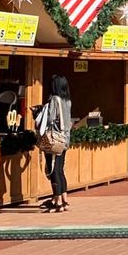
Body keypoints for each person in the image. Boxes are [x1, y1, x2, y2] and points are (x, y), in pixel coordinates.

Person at [44, 75, 72, 213]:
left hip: (54, 139)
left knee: (53, 170)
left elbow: (50, 119)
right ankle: (64, 200)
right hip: (65, 139)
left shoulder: (54, 100)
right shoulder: (67, 101)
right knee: (60, 170)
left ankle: (58, 202)